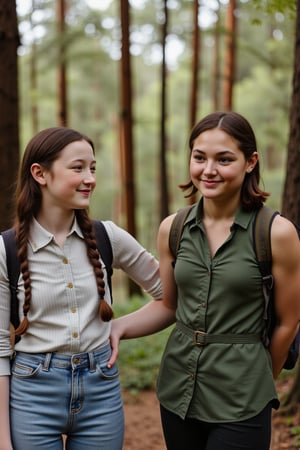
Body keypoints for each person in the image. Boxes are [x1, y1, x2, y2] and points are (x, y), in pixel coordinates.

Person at [109, 111, 300, 450]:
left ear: (250, 161)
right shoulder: (174, 227)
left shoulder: (276, 233)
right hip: (178, 389)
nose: (208, 170)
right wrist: (117, 327)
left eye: (224, 159)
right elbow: (168, 305)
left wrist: (261, 376)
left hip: (242, 396)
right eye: (200, 157)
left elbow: (289, 321)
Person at [0, 126, 163, 450]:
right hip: (32, 395)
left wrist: (120, 327)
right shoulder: (5, 250)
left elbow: (169, 296)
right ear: (40, 173)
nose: (90, 178)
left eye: (92, 168)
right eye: (78, 168)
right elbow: (0, 350)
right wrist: (3, 441)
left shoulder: (109, 237)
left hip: (101, 393)